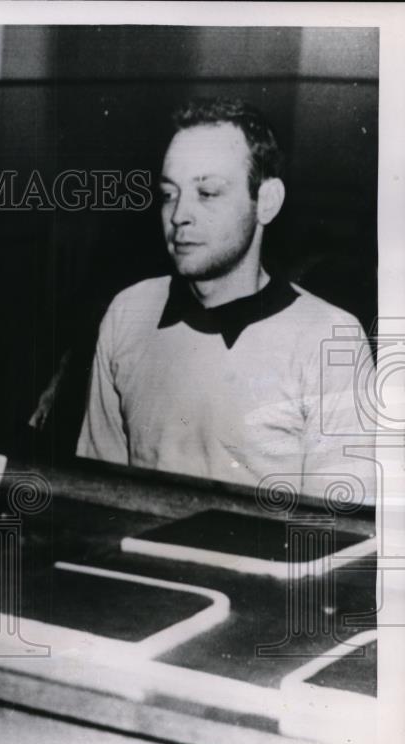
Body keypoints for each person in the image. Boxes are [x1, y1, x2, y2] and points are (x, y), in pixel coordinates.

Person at [70, 97, 374, 500]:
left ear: (266, 202)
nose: (179, 215)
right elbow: (97, 497)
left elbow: (344, 532)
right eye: (168, 194)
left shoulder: (329, 337)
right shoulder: (129, 311)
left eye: (208, 192)